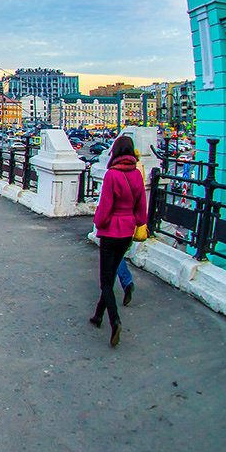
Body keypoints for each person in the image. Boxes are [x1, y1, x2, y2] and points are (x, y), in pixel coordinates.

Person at [90, 135, 147, 348]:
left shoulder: (112, 174)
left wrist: (99, 223)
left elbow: (105, 207)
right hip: (127, 232)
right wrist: (138, 222)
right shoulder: (137, 174)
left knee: (105, 280)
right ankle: (98, 315)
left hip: (111, 230)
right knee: (112, 273)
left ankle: (114, 320)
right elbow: (141, 206)